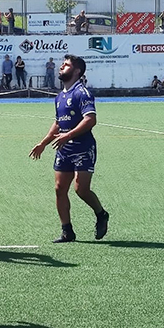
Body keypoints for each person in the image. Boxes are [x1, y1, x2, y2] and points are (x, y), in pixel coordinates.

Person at [29, 55, 109, 243]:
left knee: (81, 189)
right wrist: (43, 143)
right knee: (59, 189)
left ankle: (101, 214)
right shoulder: (59, 96)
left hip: (82, 147)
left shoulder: (82, 93)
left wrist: (69, 135)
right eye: (62, 64)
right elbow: (58, 123)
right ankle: (67, 231)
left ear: (77, 71)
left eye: (66, 65)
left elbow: (90, 119)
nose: (61, 67)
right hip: (64, 148)